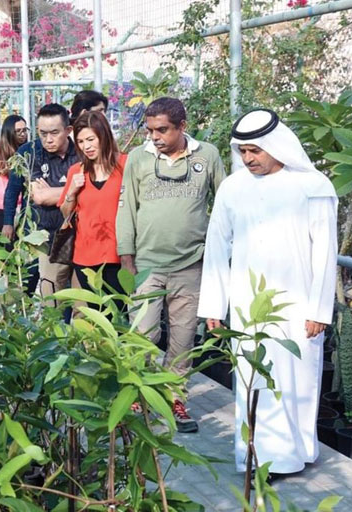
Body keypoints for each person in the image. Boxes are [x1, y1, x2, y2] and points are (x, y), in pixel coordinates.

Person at [197, 108, 337, 478]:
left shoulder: (313, 186)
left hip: (297, 304)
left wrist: (319, 310)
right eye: (242, 151)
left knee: (296, 379)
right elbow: (216, 246)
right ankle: (260, 458)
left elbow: (325, 252)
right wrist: (214, 305)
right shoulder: (233, 188)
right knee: (254, 378)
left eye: (255, 151)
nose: (248, 159)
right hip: (247, 303)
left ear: (276, 146)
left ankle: (297, 452)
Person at [115, 97, 226, 433]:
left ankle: (176, 398)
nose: (155, 137)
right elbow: (126, 208)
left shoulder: (207, 156)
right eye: (150, 130)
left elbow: (225, 204)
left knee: (182, 338)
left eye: (162, 130)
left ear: (182, 127)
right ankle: (140, 395)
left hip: (190, 265)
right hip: (146, 265)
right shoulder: (139, 158)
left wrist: (218, 259)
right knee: (143, 335)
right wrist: (127, 259)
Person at [2, 103, 79, 302]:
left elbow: (89, 189)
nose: (48, 139)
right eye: (43, 133)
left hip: (79, 234)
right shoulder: (29, 153)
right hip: (42, 235)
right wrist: (8, 222)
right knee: (48, 294)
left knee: (80, 298)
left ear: (68, 130)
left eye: (54, 133)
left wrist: (54, 192)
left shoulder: (81, 152)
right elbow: (33, 195)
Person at [58, 110, 127, 305]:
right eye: (80, 141)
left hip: (118, 255)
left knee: (119, 312)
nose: (86, 146)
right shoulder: (76, 171)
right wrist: (72, 192)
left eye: (90, 139)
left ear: (103, 136)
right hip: (85, 256)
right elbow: (65, 213)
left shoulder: (126, 164)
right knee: (96, 312)